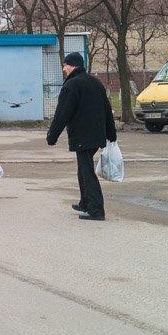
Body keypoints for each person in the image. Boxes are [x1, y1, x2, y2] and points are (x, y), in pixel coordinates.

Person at [47, 52, 117, 221]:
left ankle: (96, 210)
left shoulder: (71, 86)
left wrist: (52, 136)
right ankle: (85, 202)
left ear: (72, 66)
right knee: (82, 168)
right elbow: (107, 109)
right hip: (97, 133)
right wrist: (111, 133)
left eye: (65, 65)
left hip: (83, 135)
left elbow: (62, 114)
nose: (63, 68)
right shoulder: (95, 82)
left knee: (87, 171)